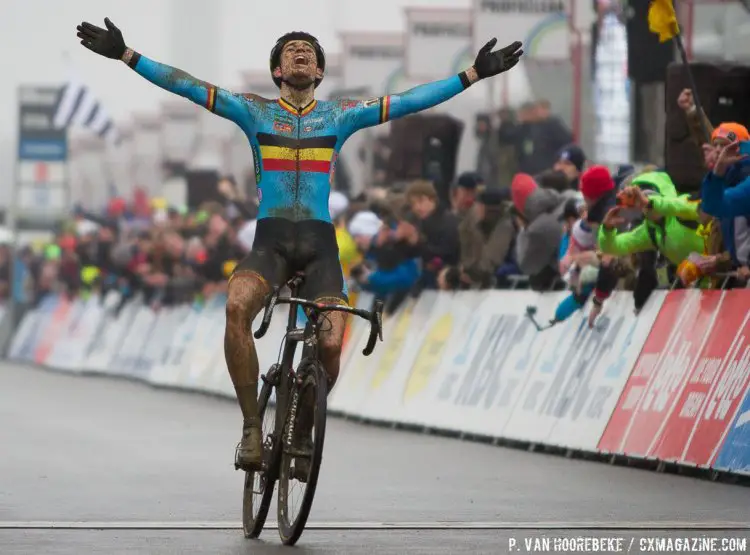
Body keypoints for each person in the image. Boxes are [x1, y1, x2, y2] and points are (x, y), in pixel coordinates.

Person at [75, 17, 524, 475]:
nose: (301, 51)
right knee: (235, 309)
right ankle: (252, 427)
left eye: (309, 49)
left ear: (321, 73)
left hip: (319, 247)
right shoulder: (253, 111)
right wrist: (128, 56)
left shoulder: (341, 115)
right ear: (277, 71)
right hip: (270, 244)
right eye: (291, 49)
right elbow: (189, 86)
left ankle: (302, 429)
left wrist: (472, 74)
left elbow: (410, 101)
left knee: (331, 345)